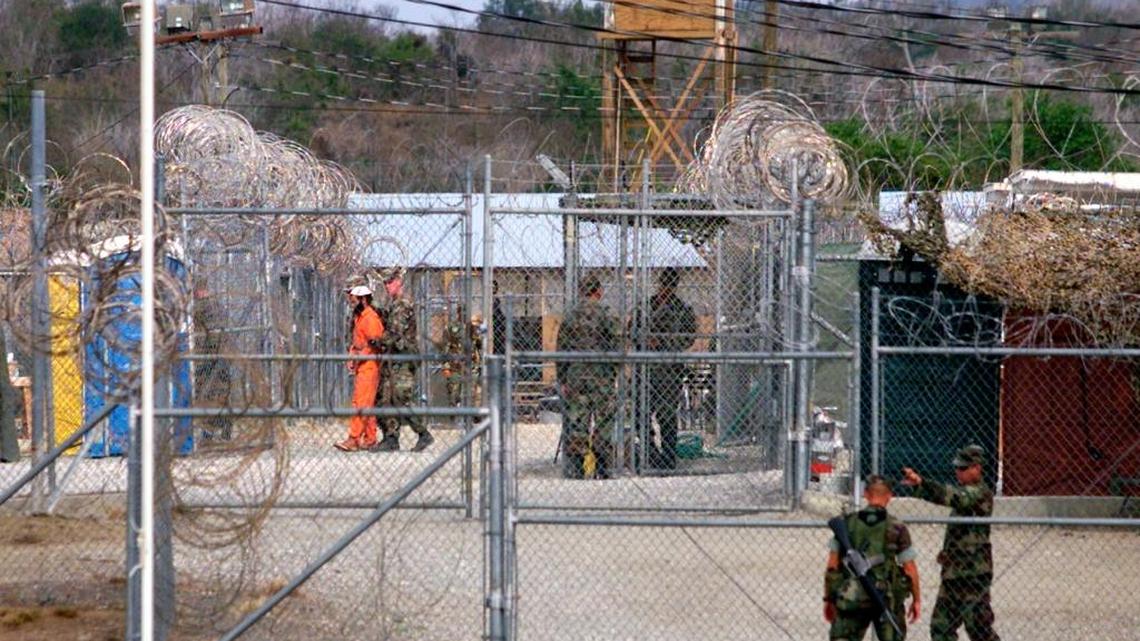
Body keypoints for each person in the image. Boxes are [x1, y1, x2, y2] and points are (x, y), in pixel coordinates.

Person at [901, 445, 1001, 641]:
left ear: (977, 468)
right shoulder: (965, 494)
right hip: (954, 573)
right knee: (941, 628)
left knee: (979, 630)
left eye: (963, 468)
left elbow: (952, 497)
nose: (958, 472)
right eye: (957, 468)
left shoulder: (980, 493)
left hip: (973, 574)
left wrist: (923, 483)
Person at [824, 475, 922, 641]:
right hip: (886, 598)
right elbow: (910, 569)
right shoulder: (897, 527)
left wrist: (829, 599)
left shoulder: (848, 523)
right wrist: (917, 600)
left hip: (851, 596)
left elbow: (832, 566)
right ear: (890, 496)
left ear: (865, 494)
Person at [556, 275, 620, 479]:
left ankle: (577, 468)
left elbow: (561, 348)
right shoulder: (607, 313)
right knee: (604, 420)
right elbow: (618, 344)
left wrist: (562, 377)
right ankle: (602, 468)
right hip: (602, 374)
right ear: (598, 291)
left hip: (576, 374)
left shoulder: (570, 315)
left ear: (582, 291)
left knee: (577, 420)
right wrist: (615, 370)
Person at [373, 266, 434, 452]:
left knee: (400, 399)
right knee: (385, 398)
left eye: (390, 282)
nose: (387, 286)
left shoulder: (402, 305)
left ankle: (423, 433)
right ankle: (391, 437)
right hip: (394, 359)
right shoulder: (394, 305)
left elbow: (395, 333)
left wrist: (376, 340)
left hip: (403, 359)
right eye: (385, 283)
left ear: (398, 282)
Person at [641, 266, 696, 469]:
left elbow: (689, 337)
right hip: (646, 369)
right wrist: (645, 341)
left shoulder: (682, 309)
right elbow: (633, 330)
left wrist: (663, 342)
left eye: (669, 286)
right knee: (641, 413)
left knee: (666, 415)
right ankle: (651, 454)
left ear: (674, 287)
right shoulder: (647, 306)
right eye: (663, 285)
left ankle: (668, 458)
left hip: (669, 370)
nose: (665, 289)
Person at [336, 284, 384, 452]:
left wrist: (360, 355)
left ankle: (354, 438)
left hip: (369, 365)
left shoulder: (370, 318)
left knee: (361, 402)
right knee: (366, 402)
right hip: (362, 364)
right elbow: (357, 341)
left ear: (363, 299)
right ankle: (370, 439)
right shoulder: (359, 317)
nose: (350, 300)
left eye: (353, 297)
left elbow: (375, 343)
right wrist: (352, 355)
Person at [192, 279, 232, 442]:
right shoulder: (215, 305)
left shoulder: (204, 305)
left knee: (208, 393)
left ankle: (209, 430)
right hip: (219, 356)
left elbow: (213, 334)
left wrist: (209, 357)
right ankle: (224, 427)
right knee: (219, 392)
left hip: (211, 357)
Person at [442, 306, 482, 407]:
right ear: (458, 313)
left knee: (472, 393)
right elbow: (446, 347)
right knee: (453, 393)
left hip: (471, 365)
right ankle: (454, 412)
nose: (463, 314)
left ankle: (472, 414)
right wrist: (446, 366)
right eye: (461, 312)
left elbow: (480, 345)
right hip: (455, 365)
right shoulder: (451, 327)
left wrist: (476, 329)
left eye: (465, 312)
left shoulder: (473, 326)